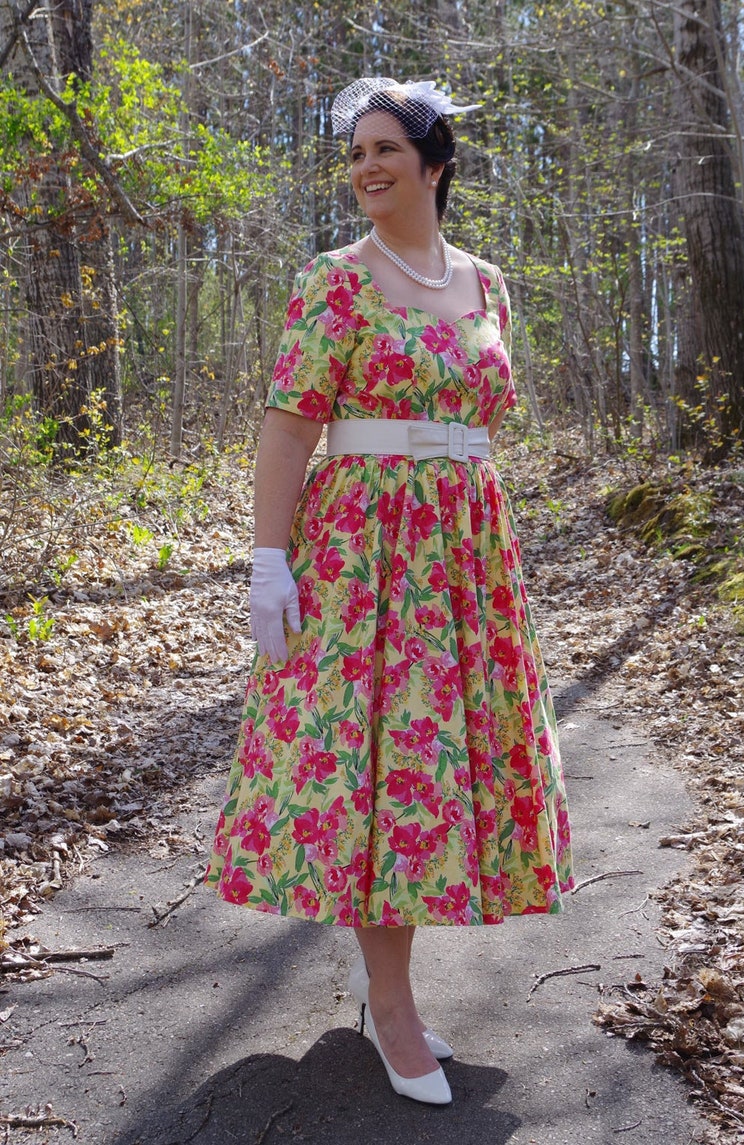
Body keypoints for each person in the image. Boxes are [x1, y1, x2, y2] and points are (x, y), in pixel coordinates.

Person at [205, 76, 574, 1106]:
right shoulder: (334, 281)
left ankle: (391, 993)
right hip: (364, 548)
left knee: (442, 765)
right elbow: (289, 425)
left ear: (433, 161)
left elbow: (485, 416)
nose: (365, 167)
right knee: (380, 767)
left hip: (466, 550)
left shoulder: (487, 282)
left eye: (384, 149)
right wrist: (267, 560)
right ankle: (392, 1002)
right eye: (354, 153)